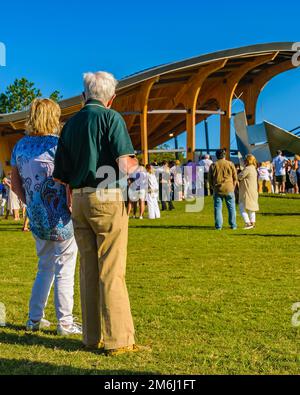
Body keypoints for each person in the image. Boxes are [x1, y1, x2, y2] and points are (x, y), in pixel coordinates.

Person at [53, 71, 140, 356]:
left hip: (78, 199)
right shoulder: (111, 118)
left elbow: (61, 176)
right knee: (112, 270)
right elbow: (126, 165)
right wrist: (135, 166)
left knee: (88, 269)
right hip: (107, 196)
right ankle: (119, 339)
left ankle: (92, 337)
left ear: (83, 96)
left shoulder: (70, 124)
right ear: (111, 98)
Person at [10, 98, 80, 335]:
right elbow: (69, 180)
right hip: (61, 216)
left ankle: (34, 319)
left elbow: (15, 183)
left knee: (44, 268)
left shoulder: (19, 146)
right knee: (64, 268)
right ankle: (65, 323)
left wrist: (29, 203)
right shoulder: (59, 145)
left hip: (37, 215)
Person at [209, 149, 238, 230]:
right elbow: (235, 177)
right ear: (224, 155)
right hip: (229, 188)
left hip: (217, 188)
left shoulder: (213, 165)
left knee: (218, 208)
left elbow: (210, 179)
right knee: (231, 208)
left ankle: (218, 226)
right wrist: (233, 186)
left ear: (216, 155)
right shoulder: (230, 164)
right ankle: (233, 225)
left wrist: (213, 187)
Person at [238, 155, 259, 230]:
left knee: (241, 207)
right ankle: (252, 223)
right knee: (251, 208)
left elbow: (239, 176)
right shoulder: (254, 168)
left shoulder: (247, 169)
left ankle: (247, 223)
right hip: (253, 190)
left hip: (247, 190)